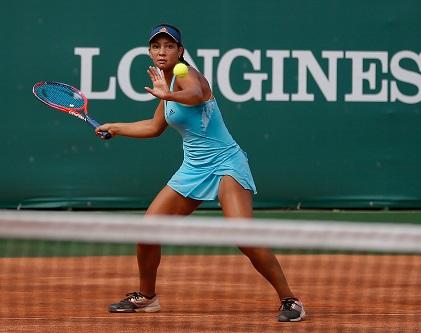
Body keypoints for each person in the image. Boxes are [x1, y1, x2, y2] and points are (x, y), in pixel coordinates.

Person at [96, 24, 305, 322]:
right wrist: (115, 128)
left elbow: (194, 95)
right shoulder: (166, 85)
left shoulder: (186, 74)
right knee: (146, 231)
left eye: (169, 46)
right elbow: (155, 128)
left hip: (226, 164)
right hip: (193, 168)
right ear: (150, 51)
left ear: (180, 51)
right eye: (157, 46)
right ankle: (147, 297)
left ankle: (290, 300)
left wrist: (167, 94)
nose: (162, 51)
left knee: (243, 235)